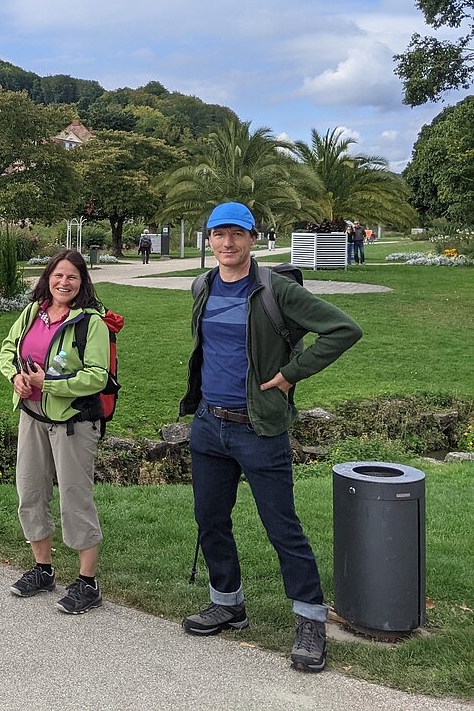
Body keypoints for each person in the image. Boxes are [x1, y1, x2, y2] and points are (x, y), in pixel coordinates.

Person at [179, 201, 361, 673]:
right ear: (210, 239)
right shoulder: (203, 285)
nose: (227, 243)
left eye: (237, 234)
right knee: (210, 520)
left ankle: (309, 619)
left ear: (253, 239)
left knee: (283, 528)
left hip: (258, 428)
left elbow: (343, 329)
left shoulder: (276, 289)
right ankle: (228, 603)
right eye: (218, 234)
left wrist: (288, 376)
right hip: (208, 424)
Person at [0, 250, 111, 616]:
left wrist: (49, 384)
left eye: (72, 277)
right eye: (58, 275)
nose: (64, 283)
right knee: (30, 493)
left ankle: (87, 582)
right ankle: (43, 569)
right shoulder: (34, 312)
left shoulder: (91, 323)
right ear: (48, 277)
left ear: (82, 283)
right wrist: (15, 376)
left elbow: (98, 375)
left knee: (74, 500)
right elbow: (8, 349)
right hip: (31, 417)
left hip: (73, 424)